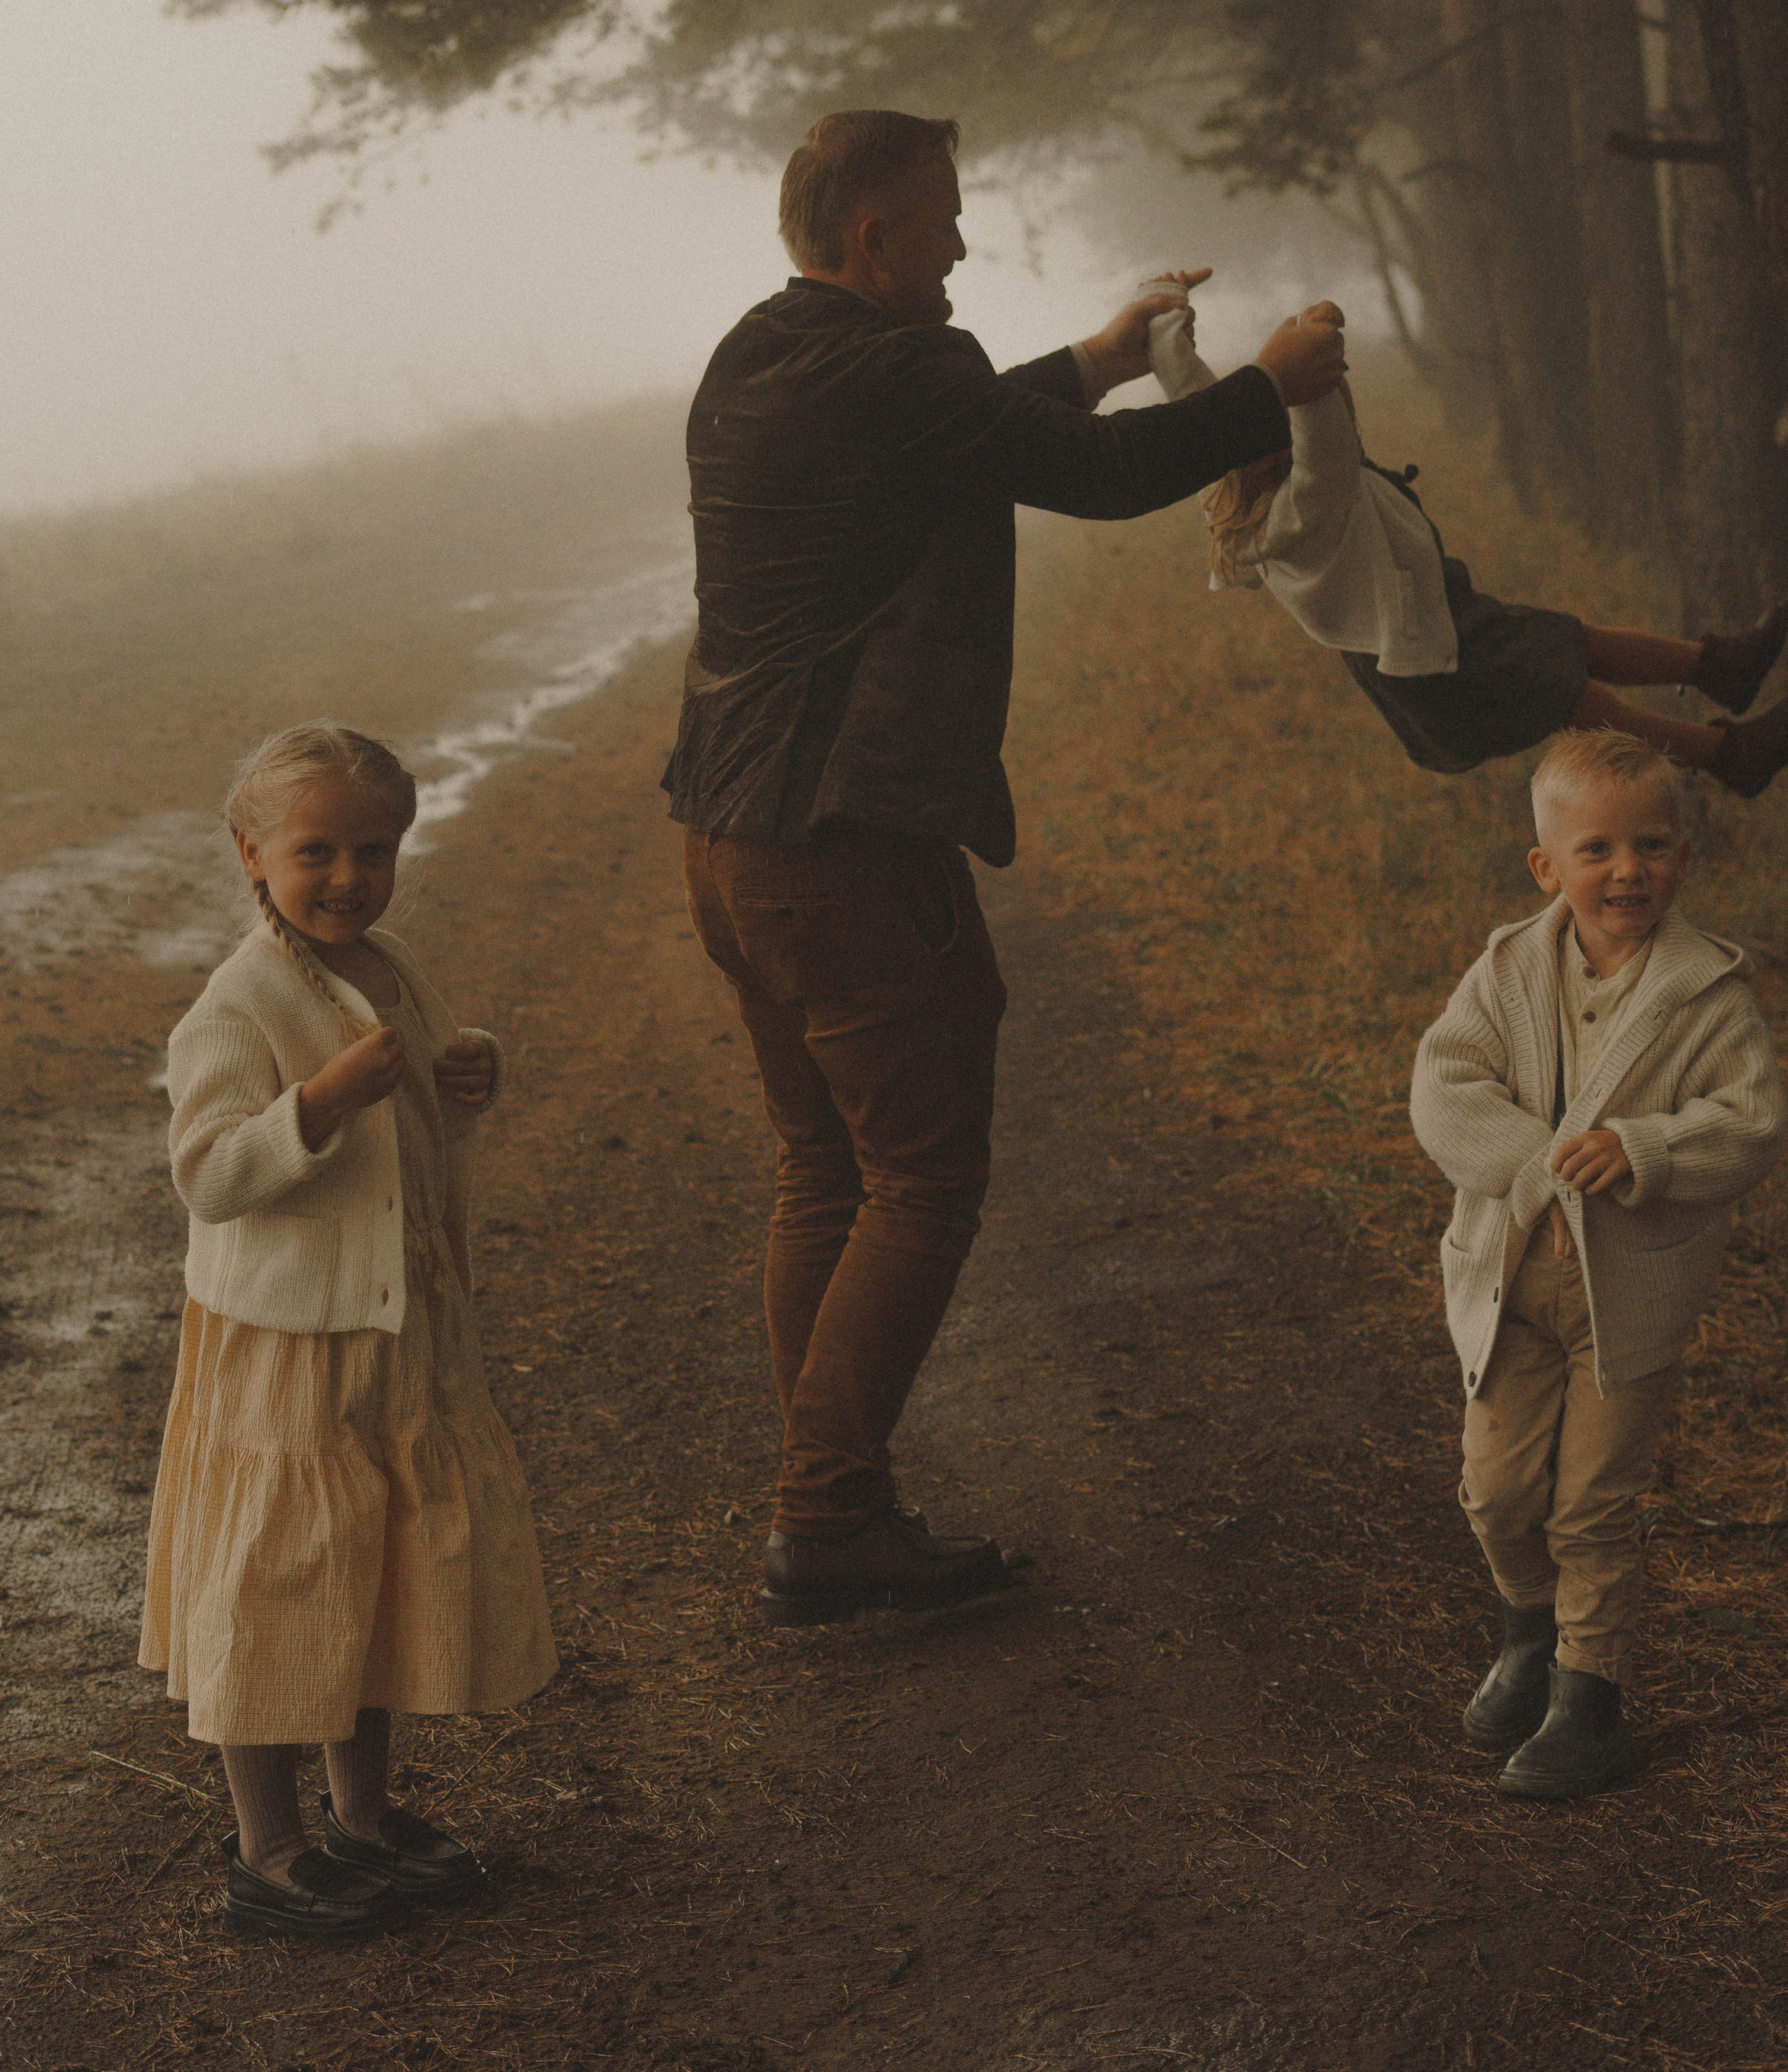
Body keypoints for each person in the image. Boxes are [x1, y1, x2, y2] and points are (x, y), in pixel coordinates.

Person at [665, 106, 1347, 1626]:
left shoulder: (752, 359)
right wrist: (1264, 391)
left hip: (725, 839)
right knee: (921, 1172)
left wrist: (1099, 361)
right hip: (846, 842)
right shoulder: (912, 370)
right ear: (876, 241)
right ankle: (827, 1520)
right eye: (949, 221)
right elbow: (1092, 482)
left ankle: (832, 1502)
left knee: (823, 1167)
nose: (967, 245)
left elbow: (970, 436)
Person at [140, 724, 556, 1940]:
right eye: (315, 850)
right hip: (286, 1344)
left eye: (372, 851)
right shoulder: (237, 1005)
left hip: (393, 1330)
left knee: (367, 1580)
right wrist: (310, 1108)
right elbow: (209, 1172)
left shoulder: (394, 966)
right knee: (273, 1587)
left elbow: (417, 1133)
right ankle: (268, 1848)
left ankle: (363, 1818)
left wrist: (469, 1075)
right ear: (250, 855)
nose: (347, 877)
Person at [1410, 728, 1785, 1799]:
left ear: (1684, 855)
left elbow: (1753, 1122)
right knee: (1495, 1490)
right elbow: (1445, 1088)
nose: (1630, 870)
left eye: (1655, 845)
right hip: (1507, 1277)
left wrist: (1646, 1147)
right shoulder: (1509, 969)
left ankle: (1591, 1693)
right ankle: (1529, 1628)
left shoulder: (1707, 993)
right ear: (1549, 867)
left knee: (1591, 1504)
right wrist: (1540, 1165)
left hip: (1629, 1296)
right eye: (1599, 850)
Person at [1147, 289, 1788, 793]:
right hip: (1422, 647)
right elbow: (1321, 425)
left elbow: (1192, 397)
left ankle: (1720, 668)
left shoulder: (1229, 487)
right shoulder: (1307, 502)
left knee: (1571, 643)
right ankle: (1728, 755)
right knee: (1566, 692)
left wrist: (1164, 312)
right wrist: (1308, 345)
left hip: (1432, 620)